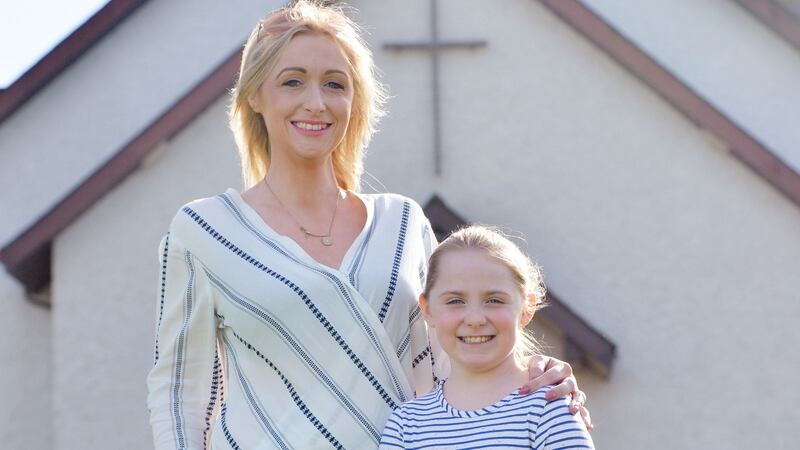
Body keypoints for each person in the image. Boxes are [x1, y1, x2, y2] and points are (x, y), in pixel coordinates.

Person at [146, 1, 589, 448]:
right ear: (255, 95)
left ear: (354, 100)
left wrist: (533, 379)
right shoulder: (204, 230)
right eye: (292, 81)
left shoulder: (402, 223)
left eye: (334, 84)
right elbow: (179, 394)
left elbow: (448, 363)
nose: (315, 103)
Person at [379, 226, 594, 449]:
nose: (475, 319)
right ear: (428, 310)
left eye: (494, 300)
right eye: (455, 301)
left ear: (527, 307)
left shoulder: (548, 408)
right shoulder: (406, 425)